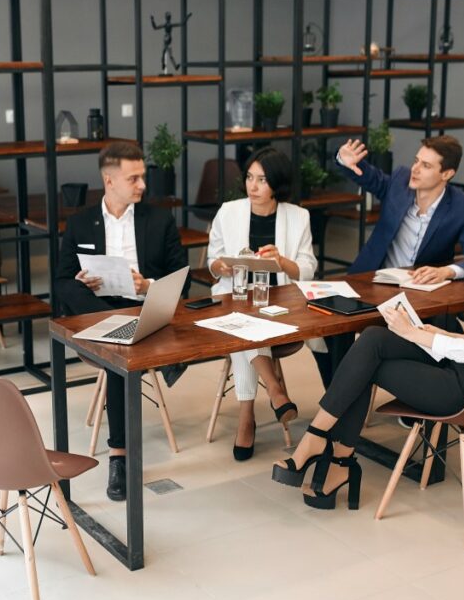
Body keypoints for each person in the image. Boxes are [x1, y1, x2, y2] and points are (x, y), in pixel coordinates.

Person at [272, 194, 464, 510]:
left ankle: (322, 447)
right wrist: (436, 333)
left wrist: (415, 333)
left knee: (365, 364)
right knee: (374, 338)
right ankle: (332, 456)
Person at [54, 142, 190, 501]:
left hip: (144, 307)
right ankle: (119, 452)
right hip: (99, 309)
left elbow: (183, 278)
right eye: (134, 178)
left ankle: (120, 454)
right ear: (109, 180)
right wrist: (81, 283)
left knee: (123, 352)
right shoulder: (82, 222)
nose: (143, 184)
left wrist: (148, 285)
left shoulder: (158, 220)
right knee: (116, 350)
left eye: (142, 176)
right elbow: (61, 279)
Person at [315, 136, 464, 387]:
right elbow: (370, 176)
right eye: (416, 160)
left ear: (447, 173)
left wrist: (447, 271)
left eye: (426, 165)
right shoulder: (400, 181)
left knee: (440, 328)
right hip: (371, 283)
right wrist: (345, 162)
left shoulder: (462, 207)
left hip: (419, 296)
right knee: (329, 326)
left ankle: (417, 402)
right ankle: (340, 395)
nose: (415, 169)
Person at [206, 148, 317, 460]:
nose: (252, 187)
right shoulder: (228, 211)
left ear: (277, 184)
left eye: (262, 180)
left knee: (249, 328)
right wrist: (221, 267)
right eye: (249, 178)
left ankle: (248, 419)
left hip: (279, 305)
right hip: (234, 298)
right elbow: (212, 262)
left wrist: (282, 262)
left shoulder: (298, 217)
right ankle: (275, 391)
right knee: (244, 324)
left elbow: (308, 268)